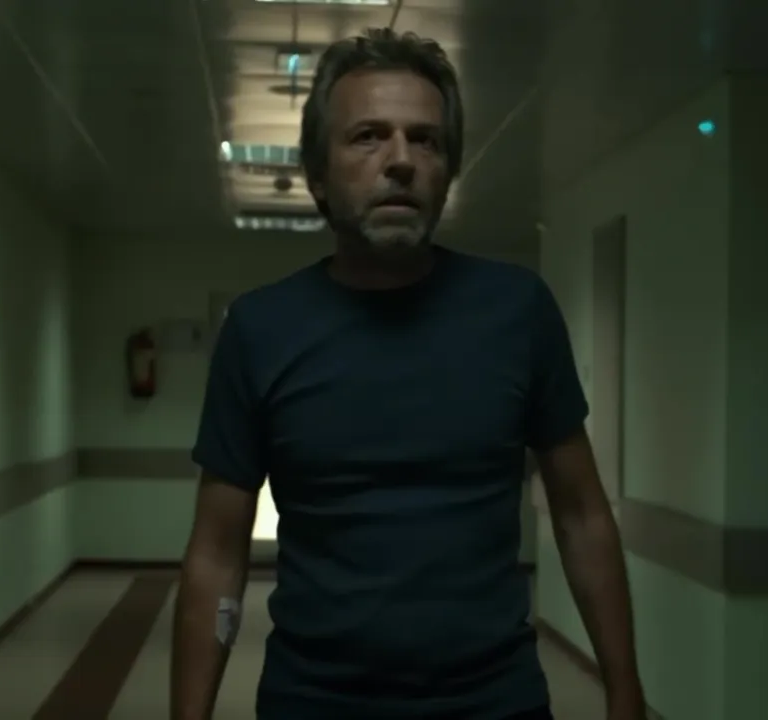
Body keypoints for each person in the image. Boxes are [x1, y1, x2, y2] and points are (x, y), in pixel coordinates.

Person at [169, 27, 646, 720]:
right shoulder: (260, 330)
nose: (401, 161)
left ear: (448, 172)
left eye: (425, 140)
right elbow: (217, 552)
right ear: (317, 175)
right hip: (315, 702)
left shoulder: (517, 312)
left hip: (493, 702)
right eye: (368, 137)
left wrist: (625, 693)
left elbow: (581, 515)